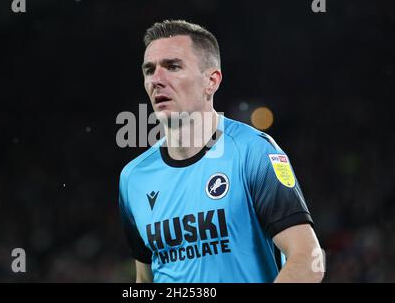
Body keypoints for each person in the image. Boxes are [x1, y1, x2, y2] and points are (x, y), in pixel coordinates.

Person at [118, 19, 324, 283]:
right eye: (149, 70)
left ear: (211, 81)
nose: (157, 80)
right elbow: (145, 280)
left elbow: (308, 258)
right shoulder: (133, 177)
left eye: (172, 66)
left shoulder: (253, 152)